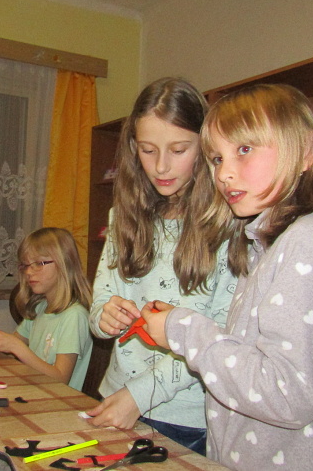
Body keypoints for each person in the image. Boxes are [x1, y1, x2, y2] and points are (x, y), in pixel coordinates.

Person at [141, 84, 313, 469]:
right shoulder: (270, 244)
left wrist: (183, 331)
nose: (224, 173)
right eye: (217, 158)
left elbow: (287, 394)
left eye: (245, 150)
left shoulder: (309, 243)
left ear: (306, 152)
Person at [84, 77, 237, 455]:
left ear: (206, 147)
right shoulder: (123, 217)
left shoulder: (227, 226)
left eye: (179, 149)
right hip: (117, 395)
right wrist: (104, 315)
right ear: (133, 148)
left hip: (184, 417)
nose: (162, 166)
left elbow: (219, 338)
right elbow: (100, 303)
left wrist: (140, 395)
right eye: (148, 150)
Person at [0, 227, 93, 392]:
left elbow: (61, 378)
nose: (28, 272)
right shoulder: (40, 308)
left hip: (58, 399)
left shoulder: (74, 316)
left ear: (65, 263)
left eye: (39, 263)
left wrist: (19, 348)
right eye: (26, 265)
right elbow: (7, 349)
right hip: (35, 391)